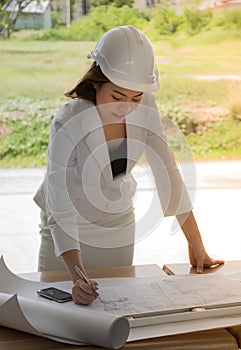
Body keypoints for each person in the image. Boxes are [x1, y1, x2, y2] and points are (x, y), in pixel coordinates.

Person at [34, 25, 223, 305]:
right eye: (117, 96)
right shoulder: (68, 120)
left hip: (116, 222)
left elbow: (167, 170)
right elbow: (58, 201)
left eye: (136, 98)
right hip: (65, 226)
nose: (126, 108)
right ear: (97, 82)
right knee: (62, 311)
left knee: (114, 306)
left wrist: (196, 244)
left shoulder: (146, 106)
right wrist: (77, 278)